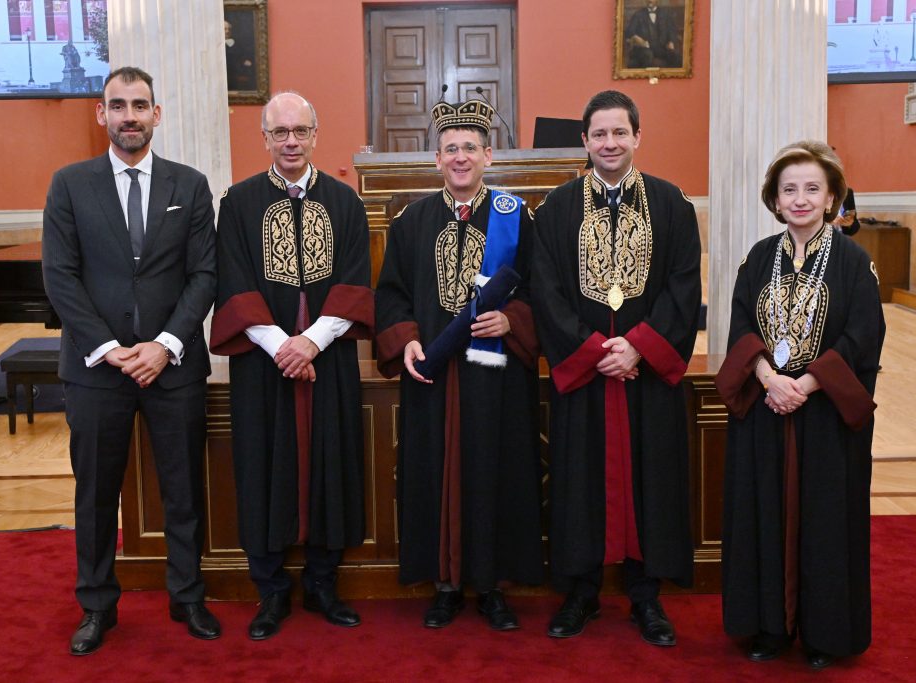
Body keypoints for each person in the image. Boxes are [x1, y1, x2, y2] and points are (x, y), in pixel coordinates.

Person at [42, 66, 220, 655]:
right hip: (95, 370)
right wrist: (110, 349)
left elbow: (204, 276)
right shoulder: (69, 184)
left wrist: (164, 345)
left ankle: (187, 597)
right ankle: (96, 606)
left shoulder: (190, 186)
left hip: (174, 367)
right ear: (102, 114)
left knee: (183, 489)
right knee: (95, 492)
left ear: (156, 114)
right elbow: (60, 278)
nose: (129, 116)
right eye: (117, 106)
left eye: (139, 105)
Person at [532, 90, 701, 644]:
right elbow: (547, 292)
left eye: (619, 132)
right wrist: (595, 354)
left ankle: (646, 596)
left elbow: (683, 287)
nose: (610, 143)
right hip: (585, 379)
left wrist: (638, 348)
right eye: (599, 134)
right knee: (579, 482)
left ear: (636, 137)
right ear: (584, 140)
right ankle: (581, 593)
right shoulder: (556, 209)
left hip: (645, 378)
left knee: (652, 479)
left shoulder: (672, 203)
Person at [715, 141, 885, 670]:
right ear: (775, 198)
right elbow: (740, 325)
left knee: (825, 522)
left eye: (813, 188)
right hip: (767, 410)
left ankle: (823, 634)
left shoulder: (856, 262)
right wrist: (767, 377)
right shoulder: (757, 258)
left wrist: (805, 385)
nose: (801, 198)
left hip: (826, 417)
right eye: (790, 189)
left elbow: (862, 337)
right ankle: (767, 626)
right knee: (762, 516)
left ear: (832, 196)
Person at [209, 92, 373, 639]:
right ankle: (272, 592)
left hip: (329, 362)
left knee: (332, 464)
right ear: (264, 138)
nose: (290, 142)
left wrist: (312, 344)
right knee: (262, 467)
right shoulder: (237, 203)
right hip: (263, 366)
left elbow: (354, 283)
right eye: (279, 133)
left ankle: (323, 585)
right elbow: (233, 281)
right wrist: (283, 344)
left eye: (300, 131)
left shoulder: (347, 203)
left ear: (315, 134)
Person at [375, 99, 542, 630]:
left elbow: (545, 292)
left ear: (488, 154)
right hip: (434, 373)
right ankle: (444, 583)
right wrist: (405, 340)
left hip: (497, 378)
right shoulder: (411, 222)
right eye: (451, 149)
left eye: (470, 147)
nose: (461, 157)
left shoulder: (518, 219)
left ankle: (492, 586)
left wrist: (512, 321)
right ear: (436, 157)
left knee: (497, 470)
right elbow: (392, 294)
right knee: (435, 474)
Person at [625, 0, 682, 69]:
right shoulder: (638, 15)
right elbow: (629, 32)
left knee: (676, 57)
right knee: (647, 55)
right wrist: (635, 37)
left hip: (661, 48)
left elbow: (672, 31)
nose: (649, 0)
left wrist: (671, 41)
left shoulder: (665, 14)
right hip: (643, 48)